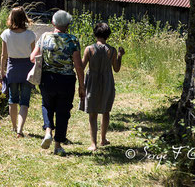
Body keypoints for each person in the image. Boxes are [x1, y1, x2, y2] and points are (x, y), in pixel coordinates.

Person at [30, 10, 85, 156]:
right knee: (63, 111)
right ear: (68, 25)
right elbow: (78, 65)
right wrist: (82, 85)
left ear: (53, 23)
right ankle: (58, 144)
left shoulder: (44, 37)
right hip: (66, 81)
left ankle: (48, 130)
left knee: (47, 105)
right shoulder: (72, 41)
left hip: (47, 79)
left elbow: (32, 57)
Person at [79, 22, 125, 151]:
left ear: (95, 34)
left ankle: (93, 143)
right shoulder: (112, 50)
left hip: (92, 81)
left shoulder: (89, 49)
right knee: (105, 111)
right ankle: (103, 139)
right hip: (107, 81)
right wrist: (120, 56)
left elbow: (81, 67)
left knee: (92, 113)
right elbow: (116, 69)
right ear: (108, 35)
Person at [0, 7, 37, 138]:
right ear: (24, 18)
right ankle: (20, 129)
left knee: (12, 99)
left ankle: (14, 127)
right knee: (24, 101)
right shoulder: (30, 35)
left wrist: (2, 71)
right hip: (27, 68)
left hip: (12, 68)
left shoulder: (6, 34)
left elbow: (4, 55)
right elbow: (34, 55)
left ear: (11, 18)